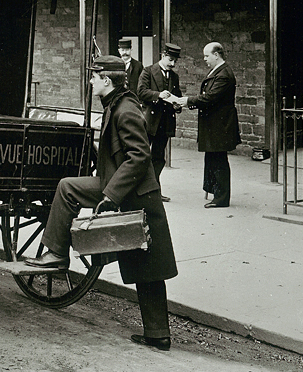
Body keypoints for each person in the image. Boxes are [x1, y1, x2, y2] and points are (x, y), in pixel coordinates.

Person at [26, 55, 178, 351]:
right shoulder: (116, 103)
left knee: (67, 188)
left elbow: (139, 156)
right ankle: (158, 334)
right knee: (147, 265)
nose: (91, 81)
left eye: (94, 77)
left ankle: (56, 254)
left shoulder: (125, 109)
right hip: (128, 189)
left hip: (134, 193)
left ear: (107, 80)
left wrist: (110, 195)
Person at [180, 42, 240, 208]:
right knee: (213, 157)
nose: (205, 59)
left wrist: (187, 101)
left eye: (207, 56)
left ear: (216, 55)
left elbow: (210, 97)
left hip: (220, 125)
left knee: (219, 159)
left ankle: (221, 199)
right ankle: (215, 191)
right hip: (215, 123)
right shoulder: (218, 71)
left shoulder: (223, 74)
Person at [137, 43, 183, 201]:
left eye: (175, 61)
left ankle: (154, 190)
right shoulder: (148, 71)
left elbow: (177, 96)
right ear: (163, 55)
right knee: (143, 156)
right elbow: (141, 92)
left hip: (165, 123)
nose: (173, 64)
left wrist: (177, 105)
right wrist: (158, 95)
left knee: (158, 158)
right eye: (170, 60)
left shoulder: (174, 77)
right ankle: (139, 190)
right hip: (150, 122)